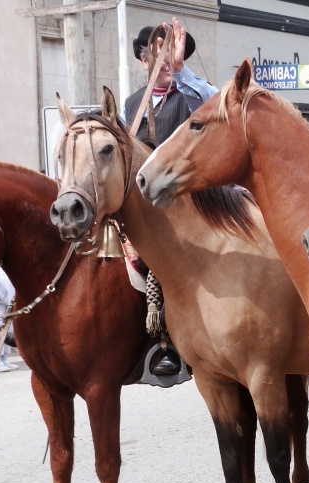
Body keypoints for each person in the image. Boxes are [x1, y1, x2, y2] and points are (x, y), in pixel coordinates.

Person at [123, 18, 216, 375]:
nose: (163, 61)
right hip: (142, 208)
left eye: (170, 53)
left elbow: (213, 102)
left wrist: (182, 72)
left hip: (192, 203)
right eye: (156, 53)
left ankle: (178, 344)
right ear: (144, 59)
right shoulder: (128, 107)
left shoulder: (192, 93)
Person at [0, 266, 17, 372]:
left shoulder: (6, 267)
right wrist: (0, 296)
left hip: (9, 303)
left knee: (8, 331)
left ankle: (5, 358)